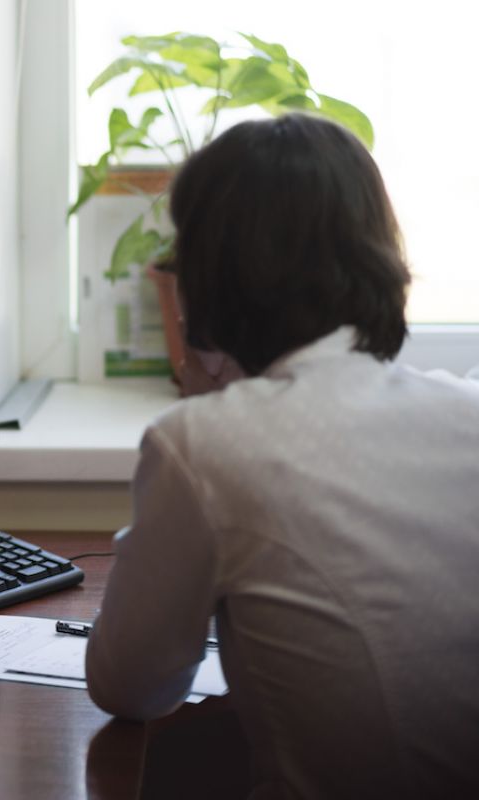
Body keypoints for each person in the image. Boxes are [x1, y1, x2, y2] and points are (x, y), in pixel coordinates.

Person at [84, 113, 479, 799]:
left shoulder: (205, 444)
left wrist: (205, 383)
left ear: (206, 279)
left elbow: (131, 687)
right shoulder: (465, 411)